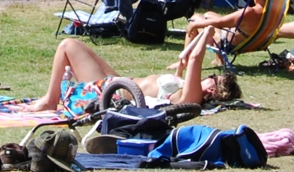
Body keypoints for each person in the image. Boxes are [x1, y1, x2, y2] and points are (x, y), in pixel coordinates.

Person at [28, 29, 239, 114]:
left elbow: (195, 58)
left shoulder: (191, 97)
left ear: (212, 91)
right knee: (76, 49)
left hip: (113, 91)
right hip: (117, 81)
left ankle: (50, 99)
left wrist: (209, 30)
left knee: (68, 45)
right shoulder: (185, 90)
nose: (208, 77)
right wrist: (202, 33)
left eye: (212, 78)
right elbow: (187, 56)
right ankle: (58, 92)